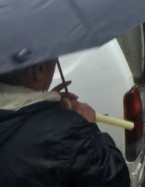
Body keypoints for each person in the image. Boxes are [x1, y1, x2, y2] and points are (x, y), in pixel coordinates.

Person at [0, 61, 129, 186]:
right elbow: (115, 179)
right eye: (54, 61)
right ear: (39, 68)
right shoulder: (65, 131)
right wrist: (91, 127)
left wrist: (44, 104)